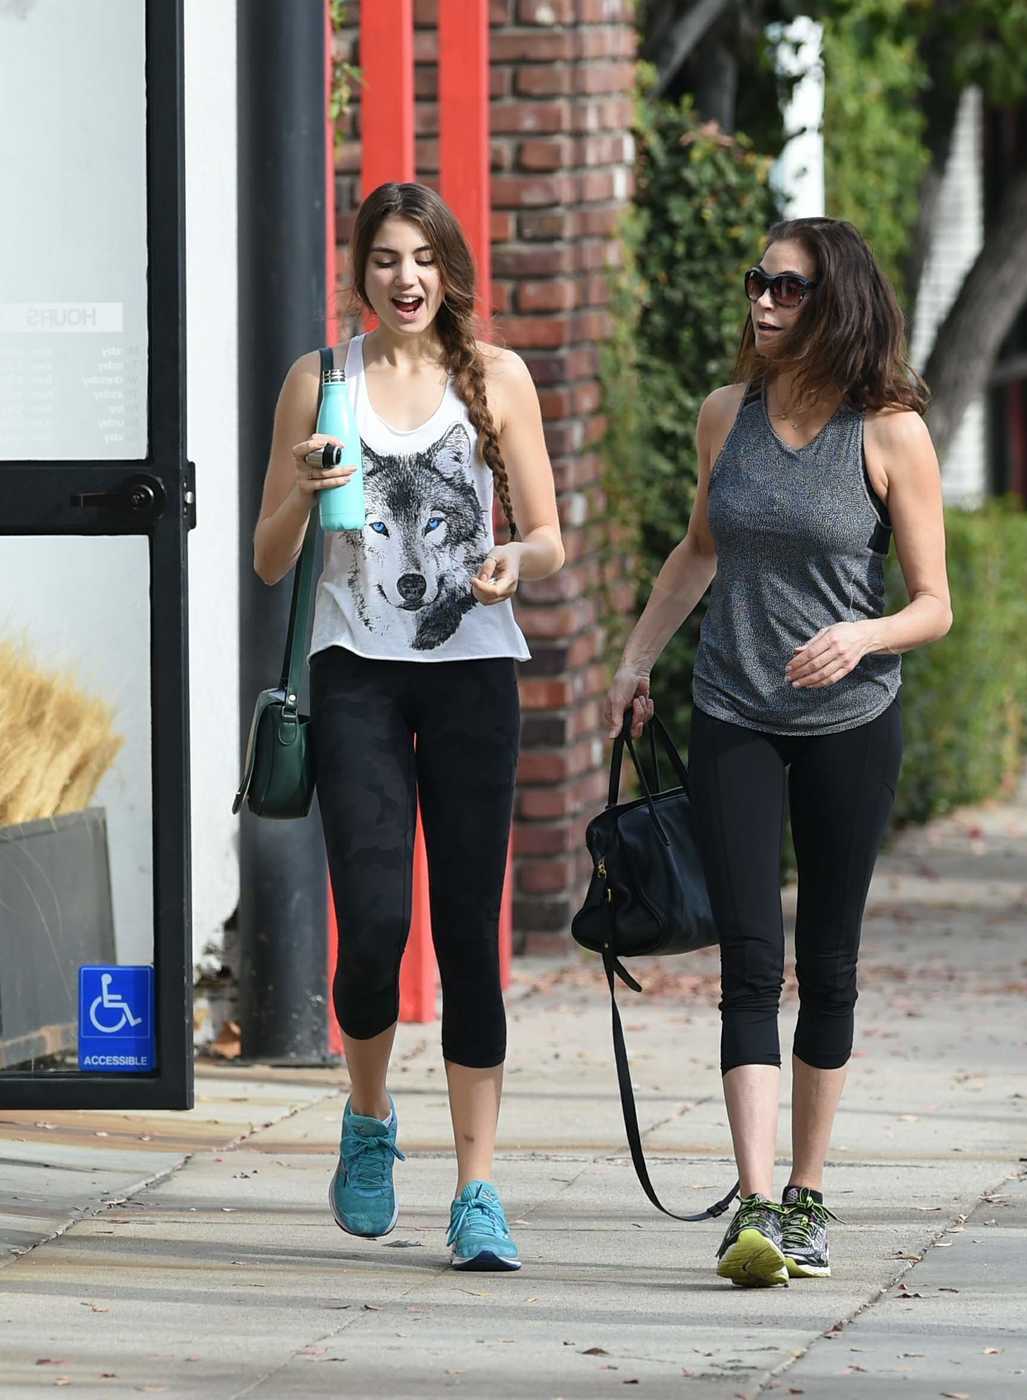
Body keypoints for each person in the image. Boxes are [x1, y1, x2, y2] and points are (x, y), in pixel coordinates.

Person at [604, 217, 951, 1288]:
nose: (761, 301)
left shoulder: (887, 431)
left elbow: (935, 605)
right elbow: (698, 549)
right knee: (750, 959)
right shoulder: (727, 417)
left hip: (850, 723)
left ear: (835, 301)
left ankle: (806, 1191)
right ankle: (751, 1204)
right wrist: (635, 660)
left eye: (787, 288)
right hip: (734, 714)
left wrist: (863, 631)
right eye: (757, 281)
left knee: (830, 961)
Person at [252, 182, 564, 1272]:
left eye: (422, 257)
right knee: (377, 925)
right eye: (385, 258)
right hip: (355, 679)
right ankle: (370, 1116)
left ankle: (479, 1189)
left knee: (470, 938)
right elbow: (268, 555)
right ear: (362, 269)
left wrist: (510, 559)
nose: (405, 278)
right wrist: (300, 488)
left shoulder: (496, 379)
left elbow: (552, 539)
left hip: (474, 674)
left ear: (449, 268)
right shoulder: (320, 379)